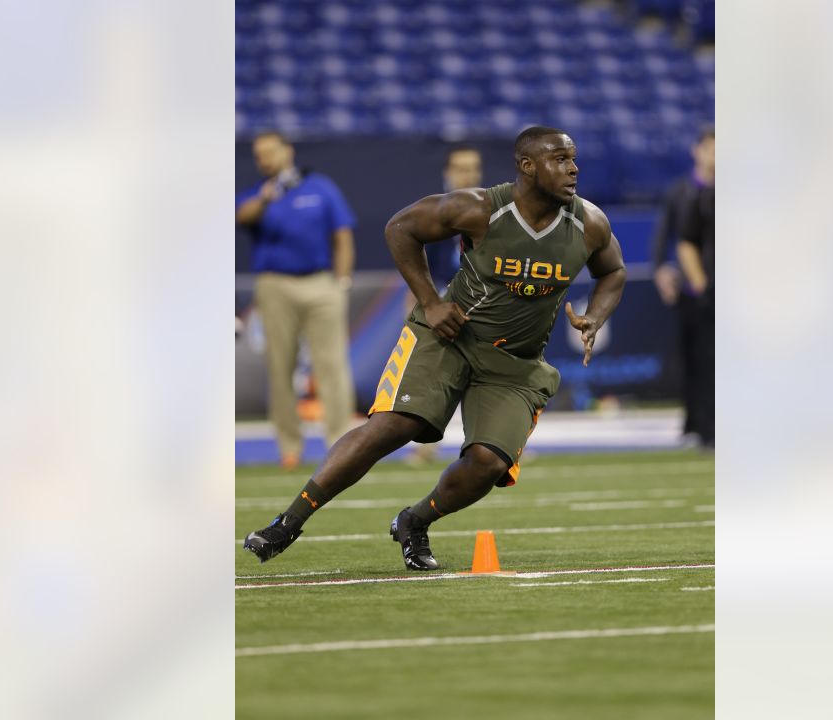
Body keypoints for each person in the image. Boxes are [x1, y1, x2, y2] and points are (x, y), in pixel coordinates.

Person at [244, 126, 627, 571]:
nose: (573, 168)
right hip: (450, 336)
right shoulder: (481, 207)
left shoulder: (589, 222)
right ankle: (287, 522)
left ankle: (414, 520)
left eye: (573, 158)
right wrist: (431, 302)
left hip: (515, 362)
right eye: (560, 158)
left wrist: (595, 317)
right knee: (393, 424)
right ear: (527, 166)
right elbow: (400, 228)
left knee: (488, 462)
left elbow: (614, 271)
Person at [236, 131, 357, 470]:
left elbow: (342, 234)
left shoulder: (320, 187)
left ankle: (339, 445)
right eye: (259, 155)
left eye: (270, 152)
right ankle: (290, 447)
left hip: (321, 283)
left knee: (332, 366)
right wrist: (265, 198)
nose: (265, 159)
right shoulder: (259, 194)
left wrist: (342, 281)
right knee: (280, 367)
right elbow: (240, 217)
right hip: (275, 285)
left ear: (287, 150)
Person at [404, 145, 484, 465]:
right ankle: (425, 445)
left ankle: (492, 444)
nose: (468, 173)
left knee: (487, 377)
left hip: (483, 302)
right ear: (447, 172)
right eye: (461, 167)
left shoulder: (494, 209)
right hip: (441, 301)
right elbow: (417, 256)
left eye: (473, 167)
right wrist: (418, 298)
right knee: (431, 376)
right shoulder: (433, 210)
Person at [650, 125, 714, 449]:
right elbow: (668, 235)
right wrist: (660, 268)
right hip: (694, 289)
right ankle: (695, 423)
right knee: (695, 358)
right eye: (711, 147)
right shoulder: (682, 191)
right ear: (697, 150)